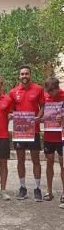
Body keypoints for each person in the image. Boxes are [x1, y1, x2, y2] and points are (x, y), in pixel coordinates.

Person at [9, 65, 44, 201]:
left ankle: (37, 189)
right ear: (19, 76)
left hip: (33, 130)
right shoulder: (13, 92)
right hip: (20, 131)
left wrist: (39, 116)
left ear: (30, 75)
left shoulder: (38, 89)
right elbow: (11, 110)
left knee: (36, 160)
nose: (24, 76)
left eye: (26, 74)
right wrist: (11, 115)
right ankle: (22, 188)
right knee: (20, 160)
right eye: (22, 74)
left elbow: (43, 107)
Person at [42, 77, 64, 207]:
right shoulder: (45, 97)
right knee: (49, 163)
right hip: (49, 136)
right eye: (48, 91)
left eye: (53, 91)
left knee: (63, 165)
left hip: (62, 136)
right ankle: (49, 192)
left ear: (57, 88)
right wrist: (40, 118)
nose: (51, 93)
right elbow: (42, 112)